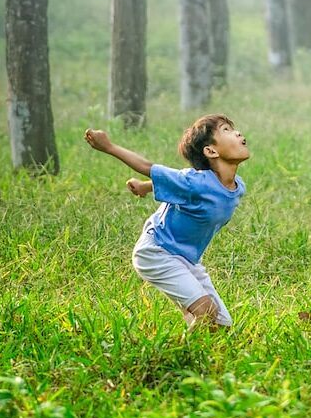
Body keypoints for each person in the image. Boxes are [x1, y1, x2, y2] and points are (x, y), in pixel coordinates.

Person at [84, 115, 249, 328]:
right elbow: (148, 167)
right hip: (157, 252)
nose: (237, 133)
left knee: (220, 325)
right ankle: (172, 356)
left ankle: (193, 334)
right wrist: (108, 146)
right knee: (206, 313)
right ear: (211, 151)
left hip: (187, 260)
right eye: (226, 130)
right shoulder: (194, 182)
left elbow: (178, 186)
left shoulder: (237, 187)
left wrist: (145, 186)